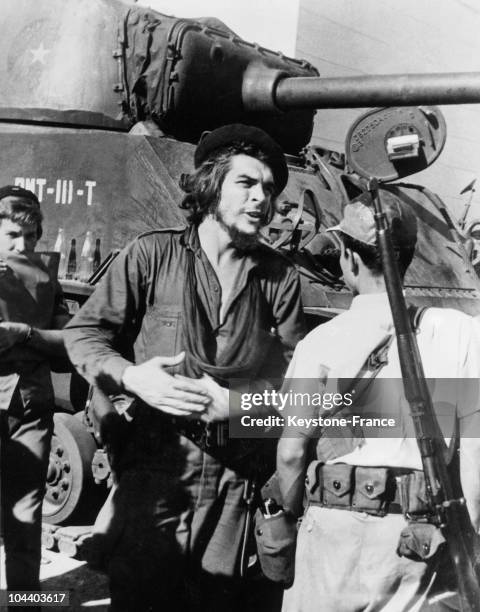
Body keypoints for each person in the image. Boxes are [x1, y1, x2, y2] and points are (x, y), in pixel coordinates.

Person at [64, 124, 306, 611]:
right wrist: (132, 376)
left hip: (237, 480)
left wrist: (241, 405)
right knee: (142, 598)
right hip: (158, 472)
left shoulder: (280, 278)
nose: (263, 198)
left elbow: (302, 382)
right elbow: (84, 332)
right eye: (247, 183)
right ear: (212, 184)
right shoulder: (151, 255)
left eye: (269, 189)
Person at [277, 193, 480, 612]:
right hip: (416, 536)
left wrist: (286, 514)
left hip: (332, 529)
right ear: (406, 258)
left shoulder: (320, 341)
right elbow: (476, 460)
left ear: (348, 258)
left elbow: (292, 452)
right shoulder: (461, 331)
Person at [0, 186, 69, 595]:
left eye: (30, 238)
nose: (22, 246)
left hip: (29, 407)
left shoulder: (47, 281)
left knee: (25, 519)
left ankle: (25, 605)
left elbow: (67, 346)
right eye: (11, 236)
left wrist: (25, 334)